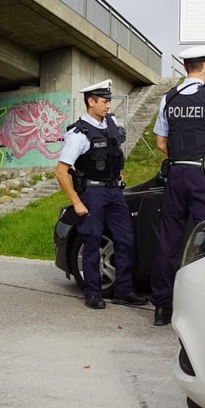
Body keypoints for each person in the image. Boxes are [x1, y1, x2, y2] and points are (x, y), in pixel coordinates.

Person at [151, 45, 205, 326]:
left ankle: (162, 308)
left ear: (186, 67)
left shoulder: (169, 98)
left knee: (169, 243)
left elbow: (161, 143)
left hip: (176, 176)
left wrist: (182, 157)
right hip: (203, 178)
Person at [55, 79, 147, 310]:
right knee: (92, 240)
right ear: (91, 101)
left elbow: (113, 155)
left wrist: (118, 173)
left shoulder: (112, 123)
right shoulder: (79, 133)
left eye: (109, 101)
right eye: (105, 102)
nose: (108, 106)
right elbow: (61, 172)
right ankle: (93, 292)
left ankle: (124, 290)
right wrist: (76, 202)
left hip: (114, 191)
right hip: (92, 192)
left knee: (125, 240)